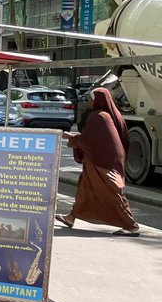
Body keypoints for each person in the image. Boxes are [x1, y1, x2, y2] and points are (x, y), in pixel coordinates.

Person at [56, 87, 139, 235]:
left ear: (98, 100)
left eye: (92, 99)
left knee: (112, 192)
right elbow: (97, 138)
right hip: (106, 159)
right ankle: (71, 217)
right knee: (85, 188)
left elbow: (88, 140)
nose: (89, 103)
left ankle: (131, 226)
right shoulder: (111, 115)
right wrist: (76, 139)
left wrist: (72, 138)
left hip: (103, 162)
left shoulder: (98, 116)